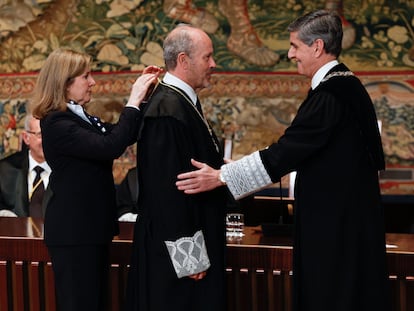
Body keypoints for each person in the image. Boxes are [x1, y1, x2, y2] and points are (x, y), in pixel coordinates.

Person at [176, 10, 391, 311]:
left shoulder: (331, 95)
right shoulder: (344, 86)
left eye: (295, 46)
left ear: (317, 47)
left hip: (335, 230)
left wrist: (222, 176)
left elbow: (285, 152)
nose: (290, 55)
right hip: (345, 221)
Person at [29, 48, 161, 311]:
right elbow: (110, 146)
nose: (93, 82)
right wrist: (132, 100)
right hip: (74, 233)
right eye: (86, 76)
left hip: (89, 229)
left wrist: (144, 97)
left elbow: (122, 134)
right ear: (64, 83)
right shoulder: (57, 123)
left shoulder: (79, 116)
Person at [125, 24, 229, 311]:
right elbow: (167, 190)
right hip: (177, 258)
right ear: (183, 60)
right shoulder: (166, 111)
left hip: (196, 237)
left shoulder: (180, 102)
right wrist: (190, 256)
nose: (213, 64)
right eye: (208, 57)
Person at [0, 114, 51, 217]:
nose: (47, 140)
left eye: (51, 134)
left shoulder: (68, 171)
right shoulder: (6, 169)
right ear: (26, 138)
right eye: (40, 135)